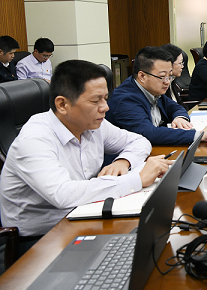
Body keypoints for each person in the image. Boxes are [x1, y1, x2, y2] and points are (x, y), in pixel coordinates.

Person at [0, 60, 172, 251]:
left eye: (105, 98)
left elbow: (139, 142)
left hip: (84, 215)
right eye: (95, 101)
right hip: (40, 239)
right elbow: (63, 194)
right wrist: (137, 179)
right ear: (62, 104)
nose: (105, 107)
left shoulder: (93, 123)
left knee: (154, 241)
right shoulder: (34, 139)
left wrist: (124, 161)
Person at [107, 47, 207, 145]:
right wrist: (198, 135)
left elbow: (175, 107)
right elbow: (148, 133)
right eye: (162, 76)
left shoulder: (152, 90)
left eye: (170, 76)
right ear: (142, 76)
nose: (167, 82)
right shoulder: (126, 99)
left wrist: (179, 118)